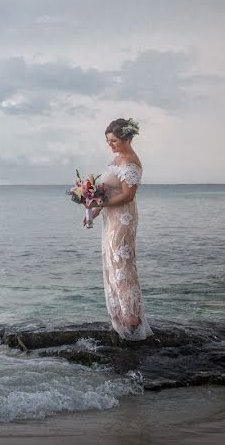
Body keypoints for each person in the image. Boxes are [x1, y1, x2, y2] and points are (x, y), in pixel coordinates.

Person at [86, 118, 154, 341]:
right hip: (111, 219)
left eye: (114, 140)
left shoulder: (130, 163)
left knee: (122, 264)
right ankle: (122, 314)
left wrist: (100, 204)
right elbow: (110, 190)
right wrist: (95, 209)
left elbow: (128, 195)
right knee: (112, 263)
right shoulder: (118, 159)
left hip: (122, 221)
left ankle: (132, 317)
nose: (110, 144)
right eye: (108, 141)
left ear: (126, 138)